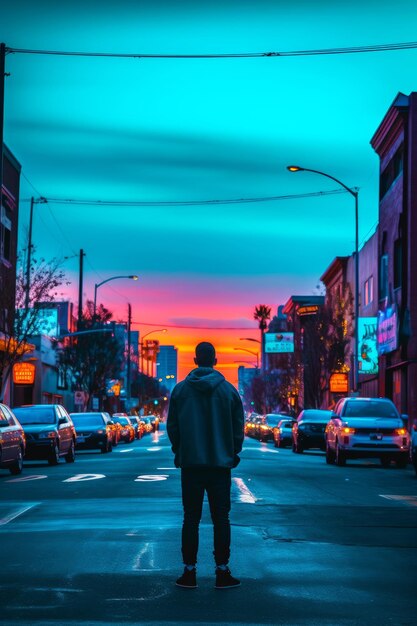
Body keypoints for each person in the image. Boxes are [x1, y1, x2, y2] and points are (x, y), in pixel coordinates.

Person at [167, 341, 245, 589]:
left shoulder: (180, 391)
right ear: (215, 360)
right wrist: (232, 452)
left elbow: (173, 428)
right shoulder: (229, 392)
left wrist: (180, 451)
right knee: (221, 518)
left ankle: (189, 572)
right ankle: (222, 571)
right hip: (220, 466)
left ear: (194, 360)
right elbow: (238, 429)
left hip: (191, 466)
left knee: (191, 519)